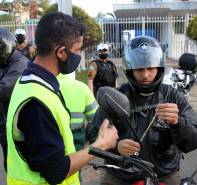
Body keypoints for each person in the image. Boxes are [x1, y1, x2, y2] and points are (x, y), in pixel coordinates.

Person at [6, 12, 118, 185]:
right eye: (77, 50)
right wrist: (100, 145)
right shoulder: (36, 102)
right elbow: (56, 171)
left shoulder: (30, 82)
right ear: (61, 52)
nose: (79, 55)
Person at [87, 36, 197, 185]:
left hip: (163, 173)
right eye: (139, 69)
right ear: (130, 70)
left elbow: (194, 141)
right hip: (121, 173)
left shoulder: (172, 96)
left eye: (151, 68)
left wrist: (178, 122)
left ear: (159, 68)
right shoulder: (117, 96)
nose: (146, 75)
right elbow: (93, 132)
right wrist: (116, 146)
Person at [0, 27, 29, 171]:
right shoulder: (6, 63)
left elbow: (3, 90)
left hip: (17, 126)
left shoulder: (19, 65)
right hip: (6, 122)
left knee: (14, 165)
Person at [57, 73, 98, 151]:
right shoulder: (82, 87)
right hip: (77, 142)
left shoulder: (44, 87)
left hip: (52, 140)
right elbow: (95, 117)